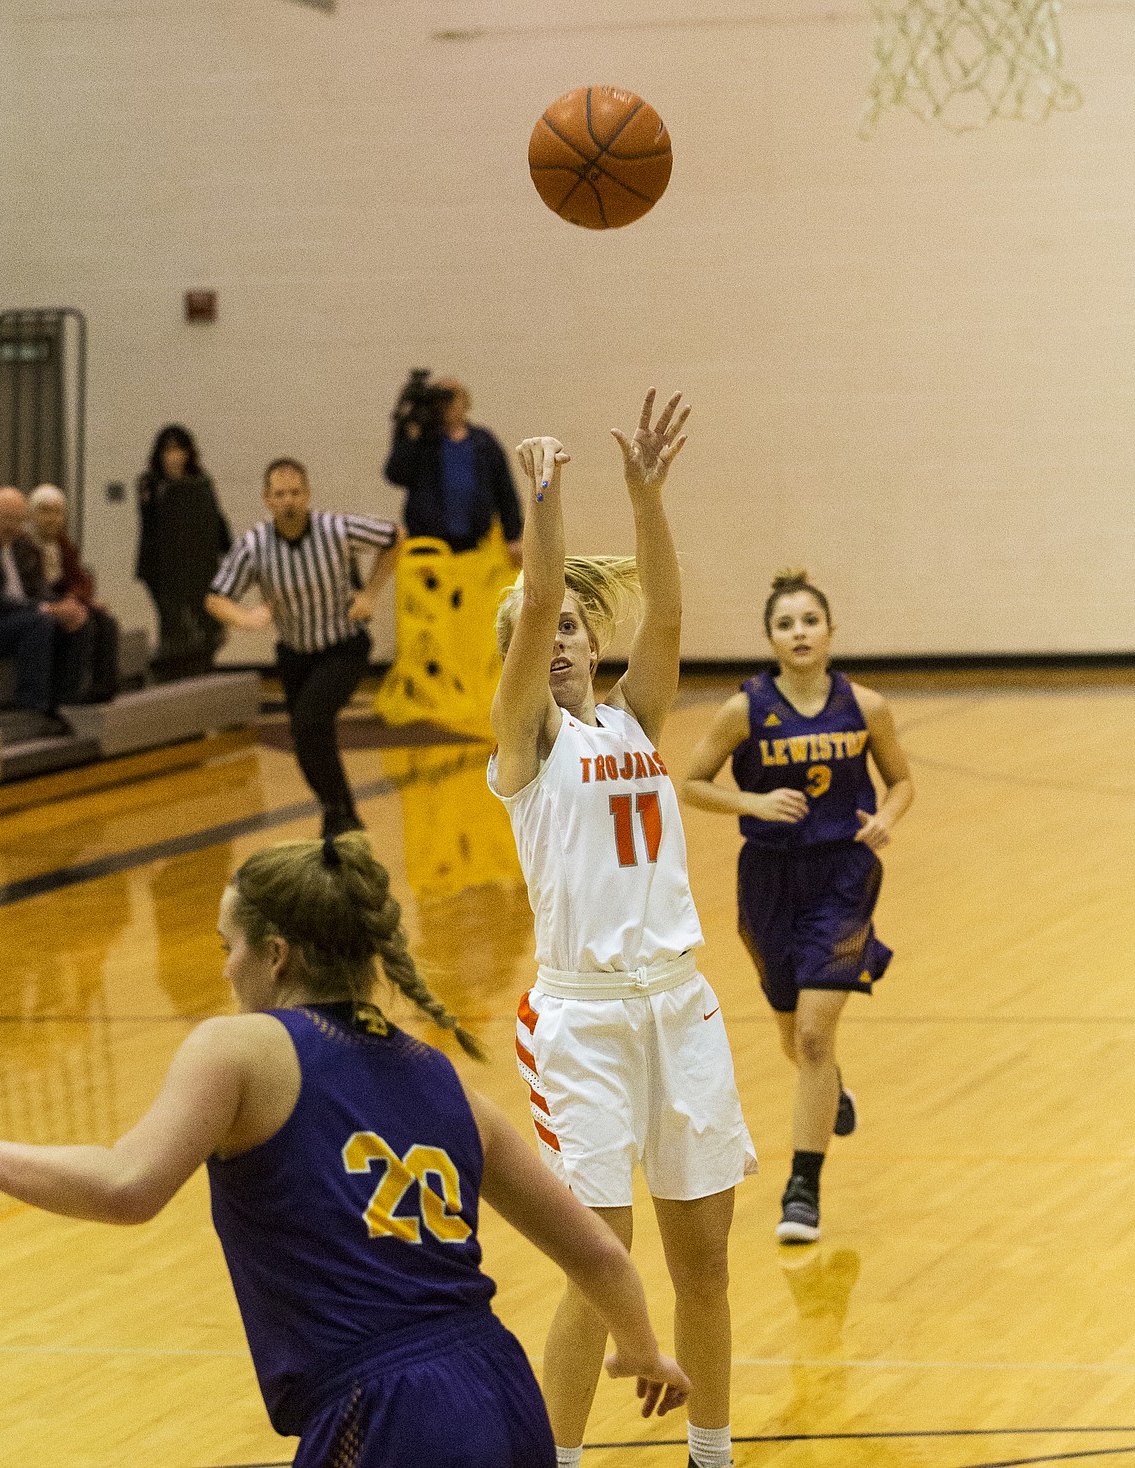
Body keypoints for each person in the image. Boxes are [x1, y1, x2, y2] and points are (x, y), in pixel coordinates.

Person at [0, 831, 690, 1468]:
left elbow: (126, 1186)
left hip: (382, 1415)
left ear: (276, 954)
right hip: (504, 1393)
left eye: (230, 948)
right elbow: (598, 1254)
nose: (225, 971)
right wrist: (639, 1347)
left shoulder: (241, 1048)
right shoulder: (440, 1077)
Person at [488, 390, 756, 1468]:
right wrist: (545, 500)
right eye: (529, 630)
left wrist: (647, 498)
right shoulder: (526, 743)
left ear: (593, 636)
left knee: (706, 1265)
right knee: (602, 1268)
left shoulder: (633, 722)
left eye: (564, 624)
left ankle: (712, 1452)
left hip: (680, 1008)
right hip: (584, 1023)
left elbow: (675, 623)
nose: (551, 635)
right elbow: (543, 580)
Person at [681, 569, 914, 1244]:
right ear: (771, 638)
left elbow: (900, 781)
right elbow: (692, 782)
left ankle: (802, 1189)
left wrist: (887, 817)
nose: (799, 632)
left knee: (815, 1033)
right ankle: (830, 1090)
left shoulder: (866, 706)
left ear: (830, 631)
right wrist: (751, 801)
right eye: (785, 624)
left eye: (809, 620)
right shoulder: (745, 709)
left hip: (842, 876)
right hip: (768, 879)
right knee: (793, 1033)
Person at [206, 457, 403, 838]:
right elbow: (216, 597)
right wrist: (246, 619)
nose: (289, 501)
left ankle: (340, 813)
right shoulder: (254, 544)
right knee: (307, 737)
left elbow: (395, 536)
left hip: (343, 646)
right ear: (266, 499)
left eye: (296, 492)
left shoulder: (336, 528)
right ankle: (340, 812)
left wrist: (371, 593)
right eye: (280, 494)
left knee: (309, 722)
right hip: (295, 654)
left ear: (308, 494)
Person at [0, 486, 87, 727]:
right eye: (7, 518)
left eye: (18, 520)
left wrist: (64, 605)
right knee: (40, 622)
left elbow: (40, 590)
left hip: (19, 616)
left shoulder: (20, 547)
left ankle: (68, 699)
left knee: (78, 617)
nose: (13, 526)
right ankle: (32, 705)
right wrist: (45, 609)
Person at [384, 376, 524, 565]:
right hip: (430, 545)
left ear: (465, 401)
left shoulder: (483, 442)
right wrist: (407, 432)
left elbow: (504, 489)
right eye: (440, 399)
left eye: (451, 397)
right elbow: (396, 475)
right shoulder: (423, 442)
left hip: (476, 542)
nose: (446, 405)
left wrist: (513, 536)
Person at [136, 424, 232, 678]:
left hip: (198, 565)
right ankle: (175, 679)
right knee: (174, 625)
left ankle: (201, 674)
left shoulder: (201, 482)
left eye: (180, 450)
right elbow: (150, 527)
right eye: (168, 451)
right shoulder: (151, 484)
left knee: (206, 624)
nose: (174, 457)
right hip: (163, 567)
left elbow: (215, 520)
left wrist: (228, 553)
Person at [29, 484, 119, 703]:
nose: (51, 518)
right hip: (38, 604)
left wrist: (76, 598)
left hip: (64, 600)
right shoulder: (24, 544)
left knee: (106, 621)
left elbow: (81, 579)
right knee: (81, 621)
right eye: (45, 511)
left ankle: (102, 688)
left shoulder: (63, 544)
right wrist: (68, 602)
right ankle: (69, 692)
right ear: (32, 514)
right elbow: (31, 587)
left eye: (57, 512)